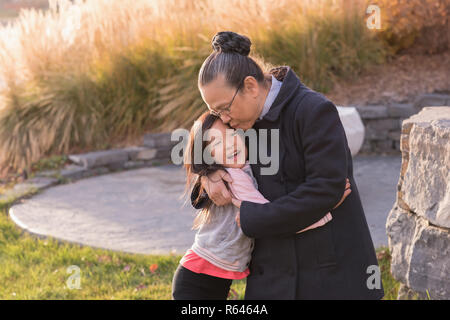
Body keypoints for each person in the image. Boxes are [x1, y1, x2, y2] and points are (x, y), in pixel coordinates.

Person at [190, 31, 385, 299]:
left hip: (329, 275)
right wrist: (208, 172)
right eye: (216, 112)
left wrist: (252, 218)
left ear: (250, 86)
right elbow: (205, 141)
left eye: (225, 108)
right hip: (271, 277)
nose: (224, 119)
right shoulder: (240, 120)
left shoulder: (314, 111)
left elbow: (325, 190)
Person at [172, 111, 345, 299]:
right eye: (216, 143)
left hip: (209, 278)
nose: (229, 144)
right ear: (207, 155)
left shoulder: (245, 168)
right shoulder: (234, 177)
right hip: (197, 280)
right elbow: (275, 219)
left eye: (231, 134)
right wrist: (325, 206)